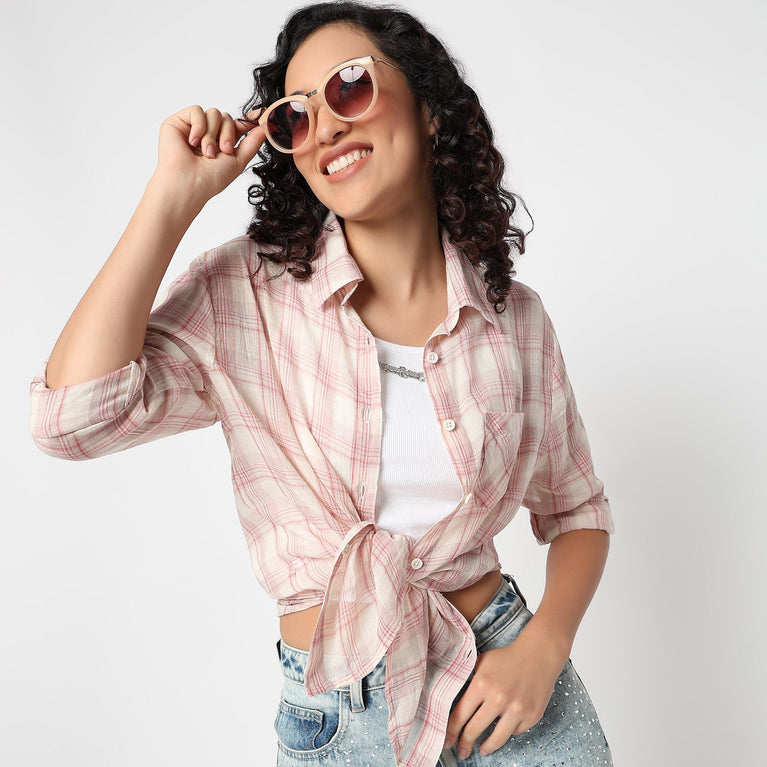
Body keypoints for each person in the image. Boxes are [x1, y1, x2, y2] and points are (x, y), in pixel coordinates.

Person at [29, 2, 615, 766]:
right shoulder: (247, 292)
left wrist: (544, 645)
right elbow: (70, 419)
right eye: (294, 117)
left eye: (348, 87)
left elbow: (577, 508)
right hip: (341, 717)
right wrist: (172, 196)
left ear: (429, 108)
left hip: (508, 694)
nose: (326, 126)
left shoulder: (515, 319)